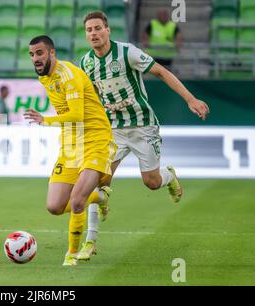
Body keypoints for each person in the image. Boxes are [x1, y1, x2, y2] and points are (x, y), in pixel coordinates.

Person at [76, 11, 209, 260]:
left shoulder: (127, 52)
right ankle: (90, 242)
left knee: (151, 182)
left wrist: (190, 98)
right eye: (88, 30)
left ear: (108, 30)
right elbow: (92, 96)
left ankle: (168, 177)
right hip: (112, 130)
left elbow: (161, 72)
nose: (93, 33)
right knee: (95, 181)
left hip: (142, 126)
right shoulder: (86, 63)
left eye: (97, 28)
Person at [24, 35, 117, 266]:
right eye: (32, 54)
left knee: (76, 201)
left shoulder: (69, 75)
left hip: (95, 137)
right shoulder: (45, 77)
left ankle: (72, 254)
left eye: (39, 53)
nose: (35, 58)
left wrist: (45, 119)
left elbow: (76, 114)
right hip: (70, 142)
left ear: (52, 53)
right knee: (54, 207)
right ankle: (99, 197)